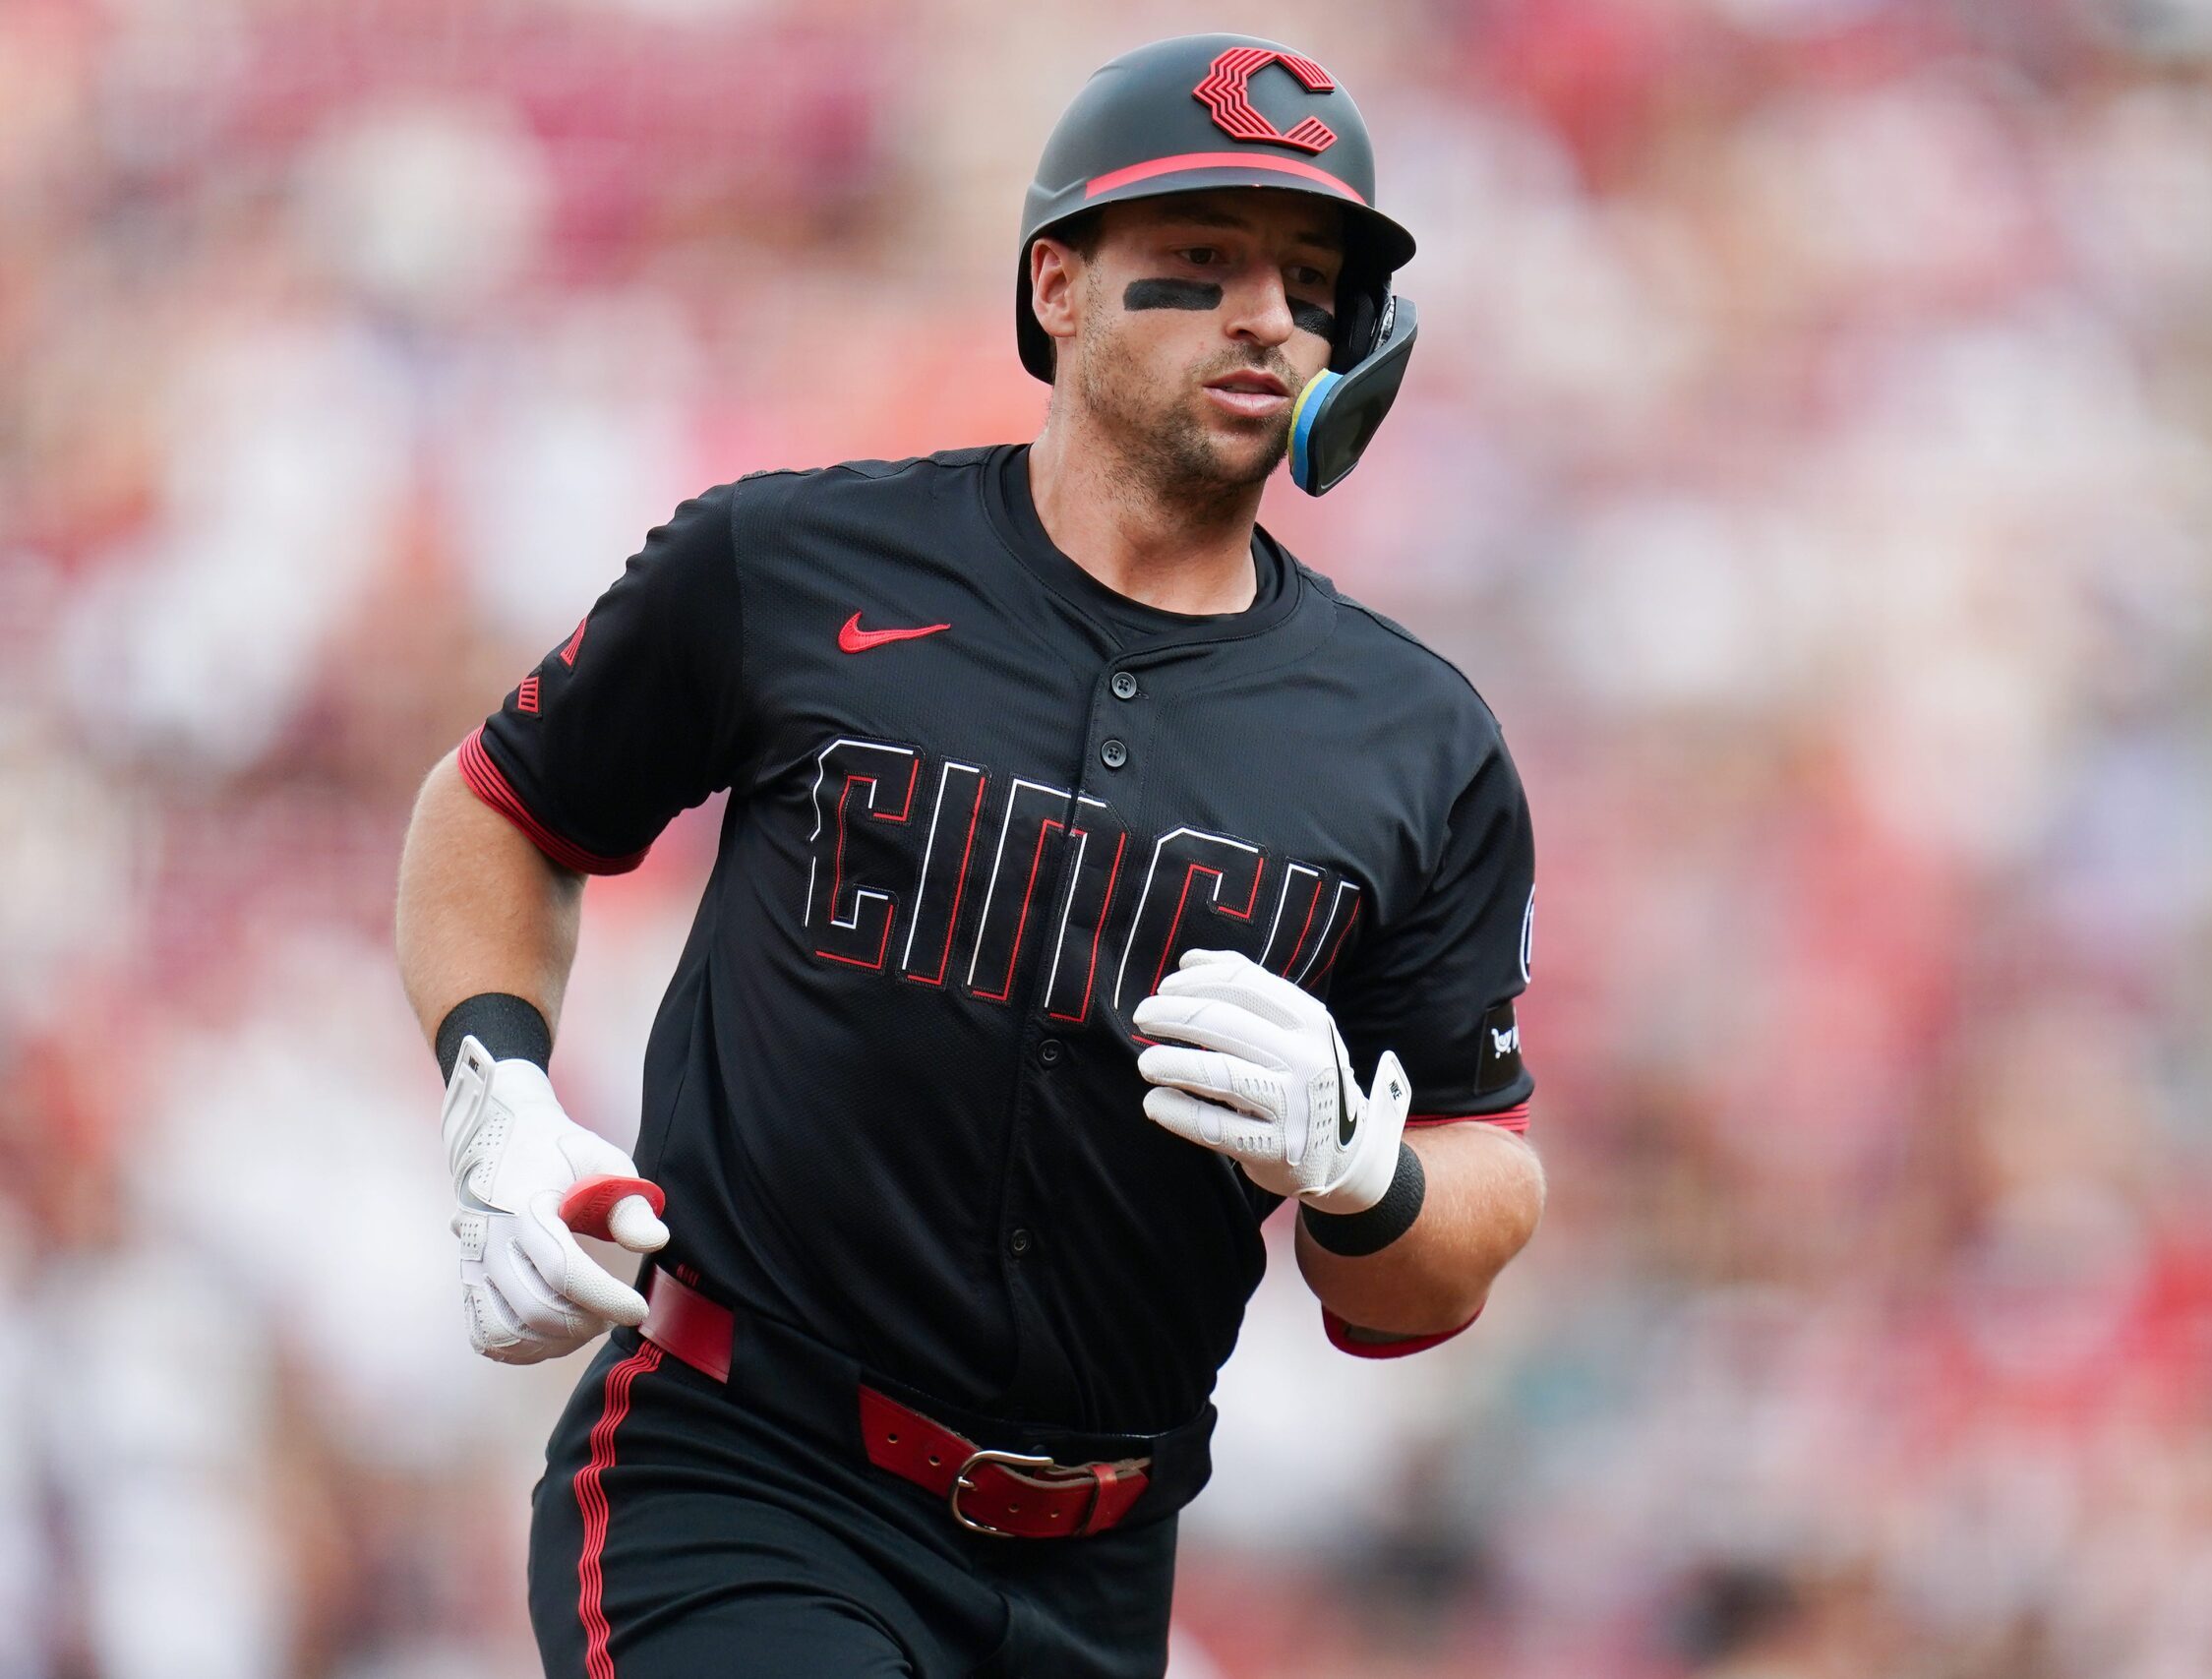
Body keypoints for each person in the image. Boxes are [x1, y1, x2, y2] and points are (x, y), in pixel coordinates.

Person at [393, 32, 1543, 1677]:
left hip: (1105, 1569)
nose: (1268, 315)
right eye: (1201, 262)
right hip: (749, 1471)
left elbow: (1449, 1244)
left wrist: (1372, 1179)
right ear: (1058, 288)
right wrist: (497, 1089)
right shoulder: (787, 560)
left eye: (1309, 279)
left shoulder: (1419, 741)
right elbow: (504, 808)